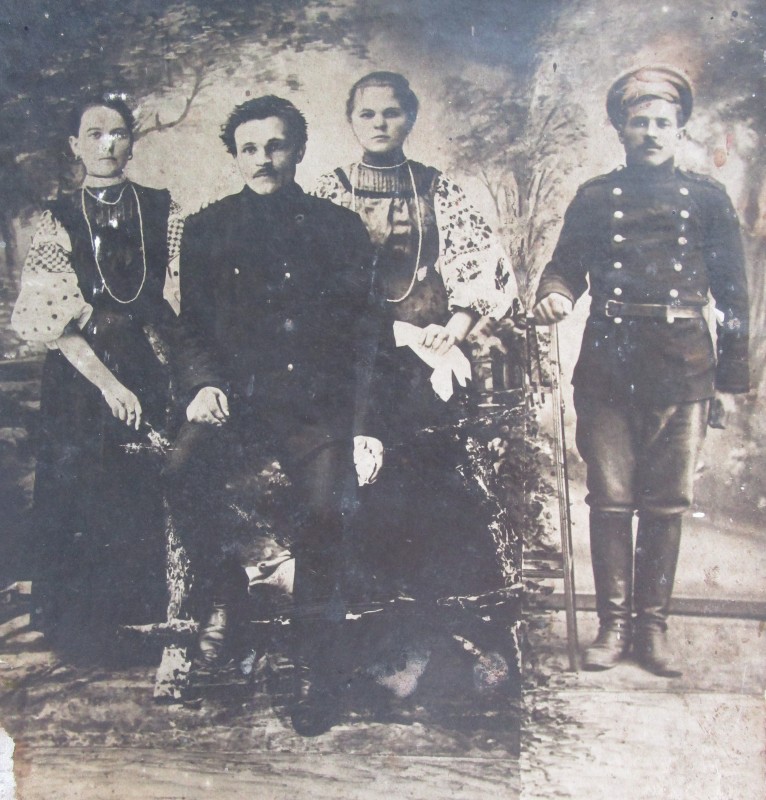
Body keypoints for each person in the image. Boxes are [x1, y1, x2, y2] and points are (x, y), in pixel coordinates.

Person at [165, 95, 382, 735]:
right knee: (180, 472)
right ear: (235, 156)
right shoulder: (206, 229)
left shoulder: (338, 228)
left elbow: (364, 335)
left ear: (299, 150)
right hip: (235, 404)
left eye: (276, 146)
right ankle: (227, 596)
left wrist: (363, 425)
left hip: (313, 409)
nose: (263, 159)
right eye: (249, 149)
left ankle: (313, 662)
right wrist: (202, 384)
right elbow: (190, 328)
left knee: (325, 509)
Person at [532, 67, 749, 675]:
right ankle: (613, 627)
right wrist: (555, 293)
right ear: (621, 129)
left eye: (662, 122)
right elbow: (565, 266)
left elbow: (734, 296)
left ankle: (652, 630)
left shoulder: (707, 199)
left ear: (680, 129)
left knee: (667, 504)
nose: (651, 132)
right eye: (639, 122)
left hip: (685, 368)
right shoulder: (596, 197)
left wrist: (730, 384)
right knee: (610, 500)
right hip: (609, 367)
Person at [314, 72, 517, 682]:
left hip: (426, 356)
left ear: (411, 117)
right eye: (368, 113)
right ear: (351, 120)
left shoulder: (437, 188)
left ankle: (449, 631)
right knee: (361, 475)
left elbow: (478, 267)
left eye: (392, 112)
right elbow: (317, 286)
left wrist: (451, 330)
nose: (380, 123)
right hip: (353, 359)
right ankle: (376, 637)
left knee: (429, 471)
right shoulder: (330, 190)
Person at [12, 94, 181, 658]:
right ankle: (82, 632)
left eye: (118, 133)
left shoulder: (163, 209)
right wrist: (108, 384)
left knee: (143, 487)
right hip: (81, 379)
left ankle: (149, 623)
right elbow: (53, 320)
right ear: (74, 146)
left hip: (151, 365)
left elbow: (179, 296)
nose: (107, 144)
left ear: (132, 142)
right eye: (94, 134)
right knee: (84, 489)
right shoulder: (58, 217)